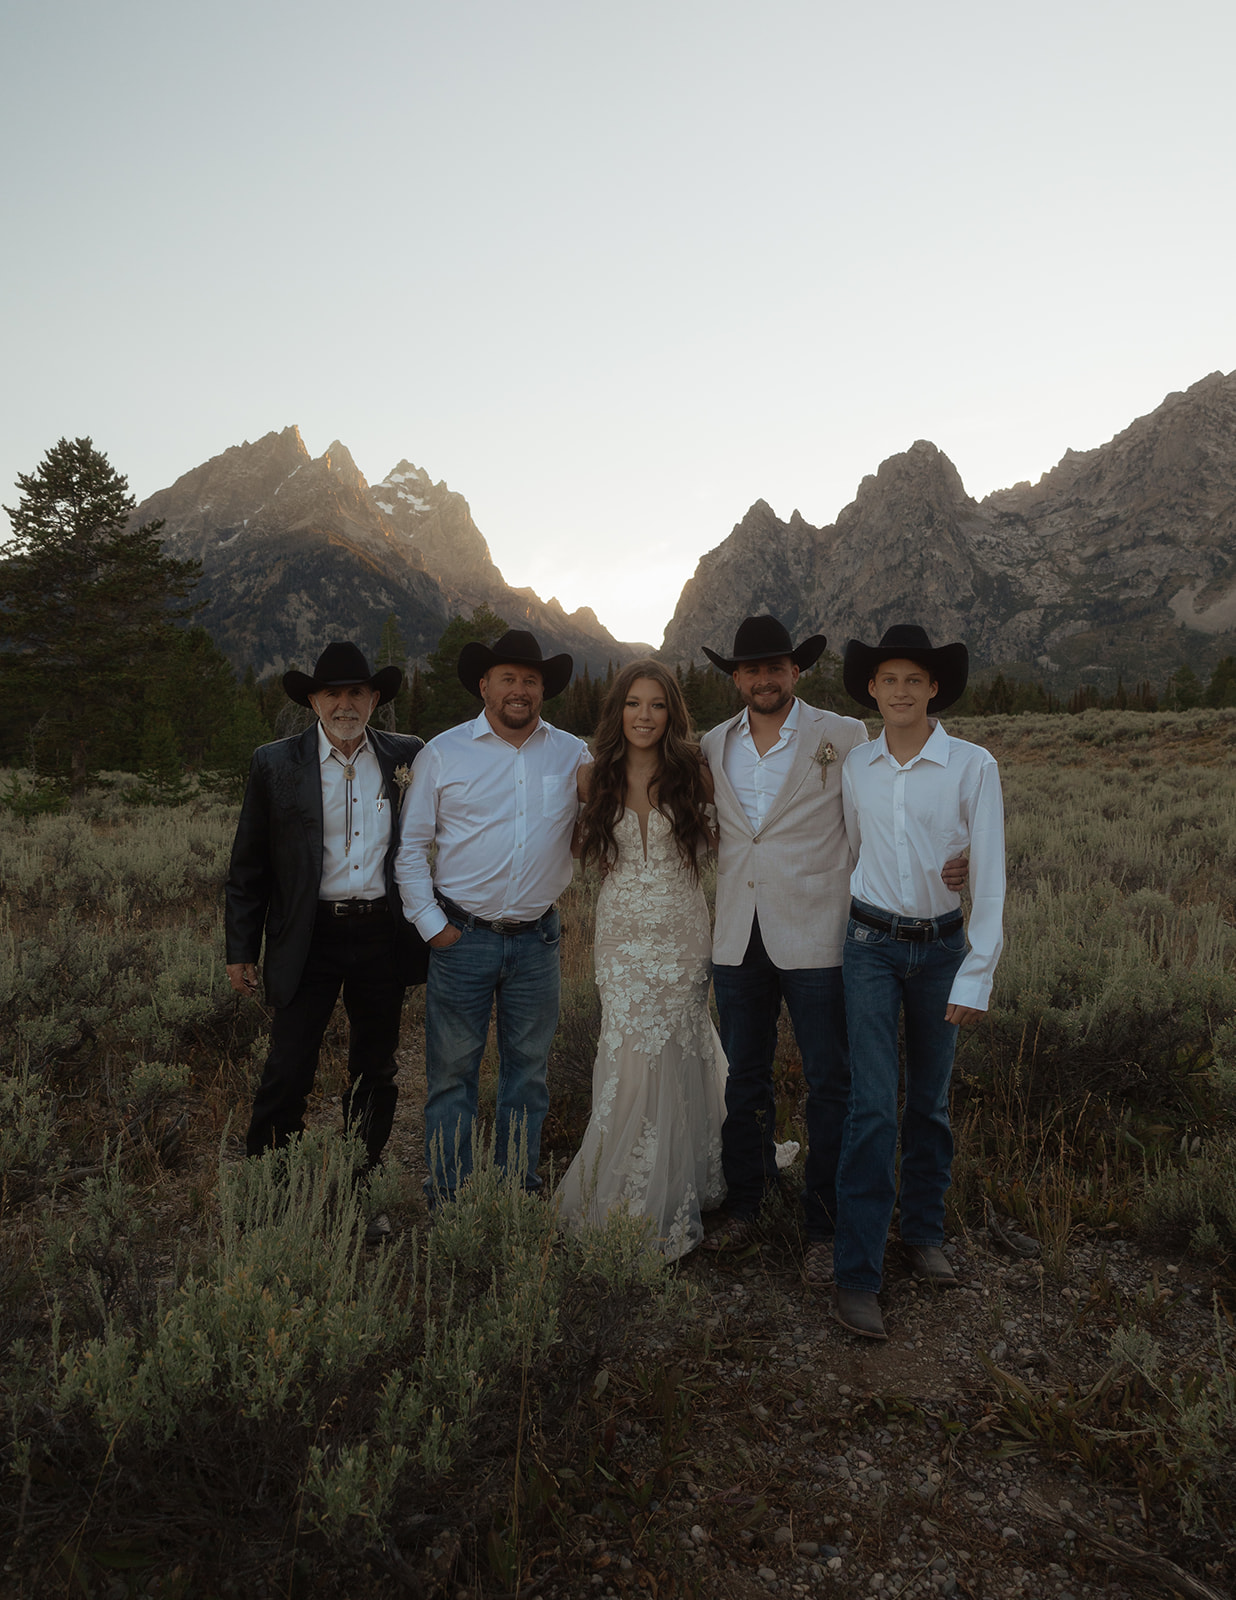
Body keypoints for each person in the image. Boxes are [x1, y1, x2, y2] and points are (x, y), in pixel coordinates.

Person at [831, 625, 1006, 1342]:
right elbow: (853, 847)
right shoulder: (857, 766)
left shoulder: (972, 766)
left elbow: (988, 873)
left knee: (929, 1103)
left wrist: (977, 970)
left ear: (935, 688)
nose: (901, 691)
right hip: (870, 946)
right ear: (871, 689)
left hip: (940, 952)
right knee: (872, 1107)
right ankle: (857, 1276)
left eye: (915, 679)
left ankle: (924, 1232)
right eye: (888, 679)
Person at [225, 641, 426, 1238]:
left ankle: (359, 1191)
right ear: (312, 700)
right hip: (306, 936)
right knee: (288, 1067)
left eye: (357, 692)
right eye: (333, 692)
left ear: (375, 699)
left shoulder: (406, 756)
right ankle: (269, 1194)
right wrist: (241, 948)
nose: (346, 703)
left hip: (381, 935)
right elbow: (248, 866)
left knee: (376, 1068)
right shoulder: (274, 763)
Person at [698, 616, 870, 1278]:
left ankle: (823, 1226)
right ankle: (747, 1203)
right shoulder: (713, 743)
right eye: (750, 669)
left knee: (830, 1082)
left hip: (820, 933)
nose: (763, 679)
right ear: (735, 677)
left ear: (796, 672)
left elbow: (865, 830)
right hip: (739, 935)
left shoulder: (842, 735)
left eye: (775, 667)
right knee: (745, 1078)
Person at [395, 628, 589, 1201]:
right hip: (463, 938)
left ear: (543, 689)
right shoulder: (442, 752)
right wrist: (434, 928)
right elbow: (410, 850)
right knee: (452, 1075)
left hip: (538, 942)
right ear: (485, 685)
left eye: (531, 680)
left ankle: (514, 1190)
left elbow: (598, 822)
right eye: (508, 678)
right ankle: (449, 1193)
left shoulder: (572, 752)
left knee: (527, 1074)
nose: (520, 690)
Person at [555, 661, 727, 1259]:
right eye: (633, 704)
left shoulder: (695, 777)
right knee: (627, 1051)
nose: (644, 716)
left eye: (657, 705)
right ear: (617, 712)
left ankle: (682, 1180)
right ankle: (623, 1185)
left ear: (672, 714)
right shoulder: (590, 780)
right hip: (622, 934)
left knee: (679, 1044)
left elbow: (737, 845)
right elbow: (563, 846)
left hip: (682, 932)